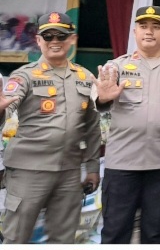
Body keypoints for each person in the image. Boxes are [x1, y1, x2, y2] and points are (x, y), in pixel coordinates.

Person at [95, 6, 160, 244]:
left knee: (154, 231)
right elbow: (98, 107)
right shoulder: (116, 67)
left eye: (156, 27)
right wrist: (103, 98)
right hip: (122, 162)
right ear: (134, 32)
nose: (149, 32)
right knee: (115, 230)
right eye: (143, 26)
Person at [0, 12, 101, 244]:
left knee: (63, 238)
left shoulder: (86, 77)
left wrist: (93, 167)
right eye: (48, 36)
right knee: (16, 237)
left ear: (72, 39)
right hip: (28, 170)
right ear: (38, 40)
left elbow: (92, 127)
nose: (55, 41)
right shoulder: (24, 76)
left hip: (69, 172)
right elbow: (7, 106)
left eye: (61, 36)